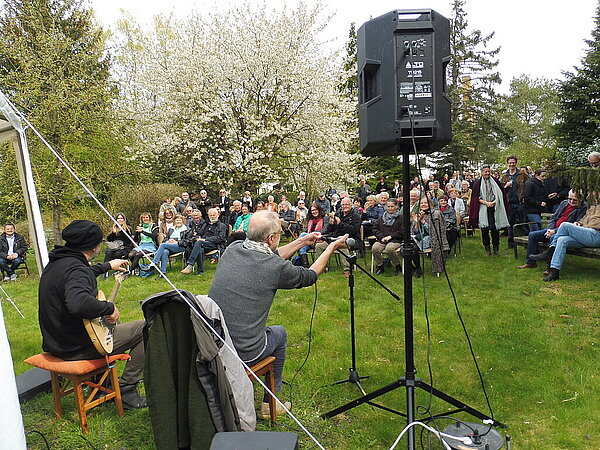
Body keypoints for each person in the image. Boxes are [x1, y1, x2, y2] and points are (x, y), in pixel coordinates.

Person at [208, 211, 347, 419]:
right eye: (279, 234)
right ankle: (270, 402)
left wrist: (301, 242)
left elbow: (269, 256)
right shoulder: (275, 268)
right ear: (271, 238)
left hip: (211, 342)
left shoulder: (233, 249)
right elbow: (309, 276)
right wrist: (331, 248)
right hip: (242, 352)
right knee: (279, 334)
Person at [38, 220, 146, 409]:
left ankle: (103, 383)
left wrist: (106, 266)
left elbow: (80, 274)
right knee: (147, 327)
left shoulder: (57, 263)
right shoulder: (76, 269)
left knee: (112, 327)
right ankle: (126, 388)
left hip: (56, 343)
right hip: (76, 348)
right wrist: (108, 308)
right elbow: (78, 303)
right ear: (94, 246)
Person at [518, 190, 586, 270]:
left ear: (580, 199)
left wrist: (555, 231)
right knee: (532, 235)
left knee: (553, 238)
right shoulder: (564, 203)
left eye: (574, 200)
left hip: (564, 232)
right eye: (569, 199)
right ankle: (531, 262)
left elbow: (573, 226)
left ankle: (550, 267)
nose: (571, 201)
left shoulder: (583, 207)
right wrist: (550, 229)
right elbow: (554, 217)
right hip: (552, 229)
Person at [530, 203, 600, 281]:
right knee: (562, 240)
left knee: (564, 225)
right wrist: (579, 223)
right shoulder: (593, 204)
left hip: (596, 235)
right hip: (586, 235)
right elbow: (585, 219)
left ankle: (550, 252)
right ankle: (554, 272)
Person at [314, 197, 362, 276]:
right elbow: (330, 230)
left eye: (346, 204)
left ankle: (347, 269)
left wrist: (340, 224)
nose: (344, 206)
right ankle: (320, 268)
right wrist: (331, 224)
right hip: (335, 238)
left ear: (351, 205)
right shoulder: (338, 214)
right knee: (319, 246)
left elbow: (353, 230)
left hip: (351, 239)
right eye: (343, 204)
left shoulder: (355, 216)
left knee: (341, 245)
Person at [468, 165, 510, 255]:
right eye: (485, 171)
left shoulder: (495, 181)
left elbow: (500, 194)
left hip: (495, 207)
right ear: (482, 172)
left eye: (488, 171)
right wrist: (486, 203)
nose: (487, 173)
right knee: (485, 230)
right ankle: (487, 249)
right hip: (483, 208)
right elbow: (475, 198)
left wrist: (494, 202)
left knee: (495, 229)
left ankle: (496, 248)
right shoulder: (477, 183)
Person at [181, 208, 227, 275]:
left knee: (199, 243)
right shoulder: (205, 224)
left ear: (218, 215)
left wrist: (205, 240)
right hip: (203, 244)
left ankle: (190, 265)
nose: (212, 217)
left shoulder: (221, 225)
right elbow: (200, 234)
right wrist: (197, 237)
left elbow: (221, 238)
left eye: (214, 215)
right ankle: (200, 272)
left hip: (215, 244)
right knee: (200, 249)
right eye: (210, 215)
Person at [412, 197, 449, 275]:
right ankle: (417, 268)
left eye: (425, 203)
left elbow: (433, 231)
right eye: (421, 203)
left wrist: (423, 221)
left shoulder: (435, 213)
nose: (423, 204)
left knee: (414, 248)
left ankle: (419, 269)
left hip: (433, 239)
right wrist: (416, 222)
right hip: (420, 238)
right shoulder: (418, 214)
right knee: (409, 248)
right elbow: (415, 231)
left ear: (430, 204)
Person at [500, 156, 528, 248]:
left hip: (520, 202)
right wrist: (505, 186)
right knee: (510, 224)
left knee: (523, 224)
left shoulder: (522, 174)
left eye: (513, 162)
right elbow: (499, 188)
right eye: (510, 162)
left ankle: (526, 244)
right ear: (507, 163)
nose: (512, 164)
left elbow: (529, 185)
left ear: (516, 163)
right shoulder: (504, 176)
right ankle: (511, 244)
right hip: (509, 204)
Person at [372, 199, 403, 275]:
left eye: (392, 206)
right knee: (375, 248)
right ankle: (380, 266)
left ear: (396, 207)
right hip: (382, 239)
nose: (390, 208)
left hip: (395, 240)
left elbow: (402, 231)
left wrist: (390, 236)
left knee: (389, 249)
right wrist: (382, 237)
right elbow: (375, 229)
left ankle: (397, 266)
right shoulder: (382, 217)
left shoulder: (401, 218)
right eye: (388, 206)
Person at [292, 202, 325, 267]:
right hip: (309, 242)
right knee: (301, 247)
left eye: (315, 210)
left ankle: (291, 251)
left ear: (319, 210)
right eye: (312, 210)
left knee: (302, 235)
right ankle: (306, 266)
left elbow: (325, 230)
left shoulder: (324, 219)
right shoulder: (310, 220)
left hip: (319, 241)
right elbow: (306, 230)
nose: (314, 212)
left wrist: (312, 234)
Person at [103, 213, 135, 278]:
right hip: (115, 246)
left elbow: (128, 240)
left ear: (124, 219)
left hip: (125, 247)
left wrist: (121, 232)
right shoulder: (114, 228)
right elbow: (109, 239)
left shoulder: (128, 228)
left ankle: (119, 268)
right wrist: (113, 233)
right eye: (118, 218)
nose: (120, 220)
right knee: (108, 253)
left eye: (121, 218)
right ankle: (105, 270)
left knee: (118, 253)